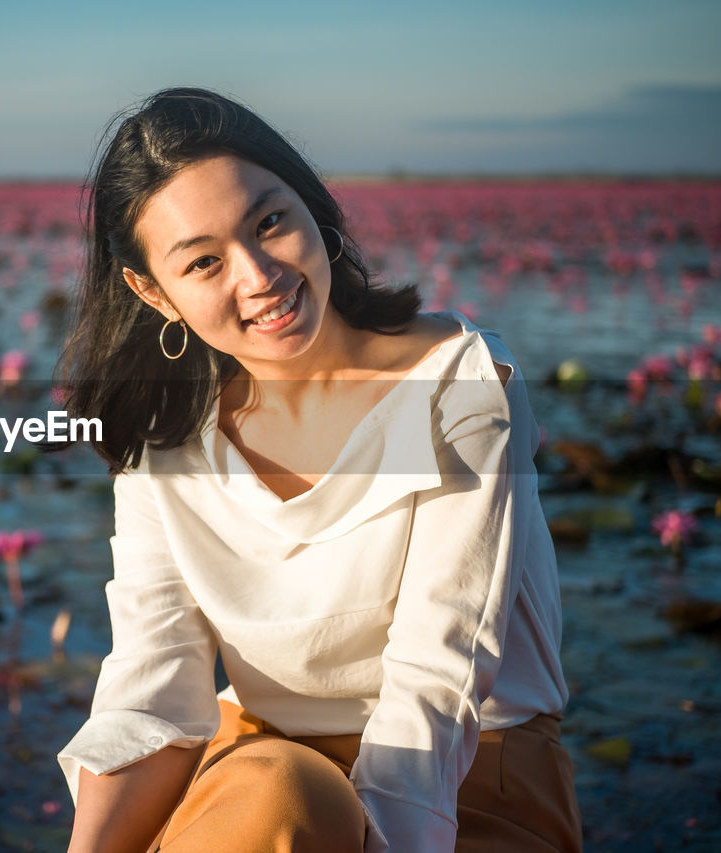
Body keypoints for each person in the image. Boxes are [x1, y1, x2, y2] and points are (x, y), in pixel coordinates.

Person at [54, 87, 583, 852]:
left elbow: (438, 678)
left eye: (270, 221)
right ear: (151, 292)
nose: (259, 273)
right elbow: (154, 691)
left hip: (468, 777)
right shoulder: (165, 435)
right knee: (276, 788)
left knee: (285, 796)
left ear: (311, 206)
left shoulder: (458, 384)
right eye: (204, 261)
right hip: (261, 778)